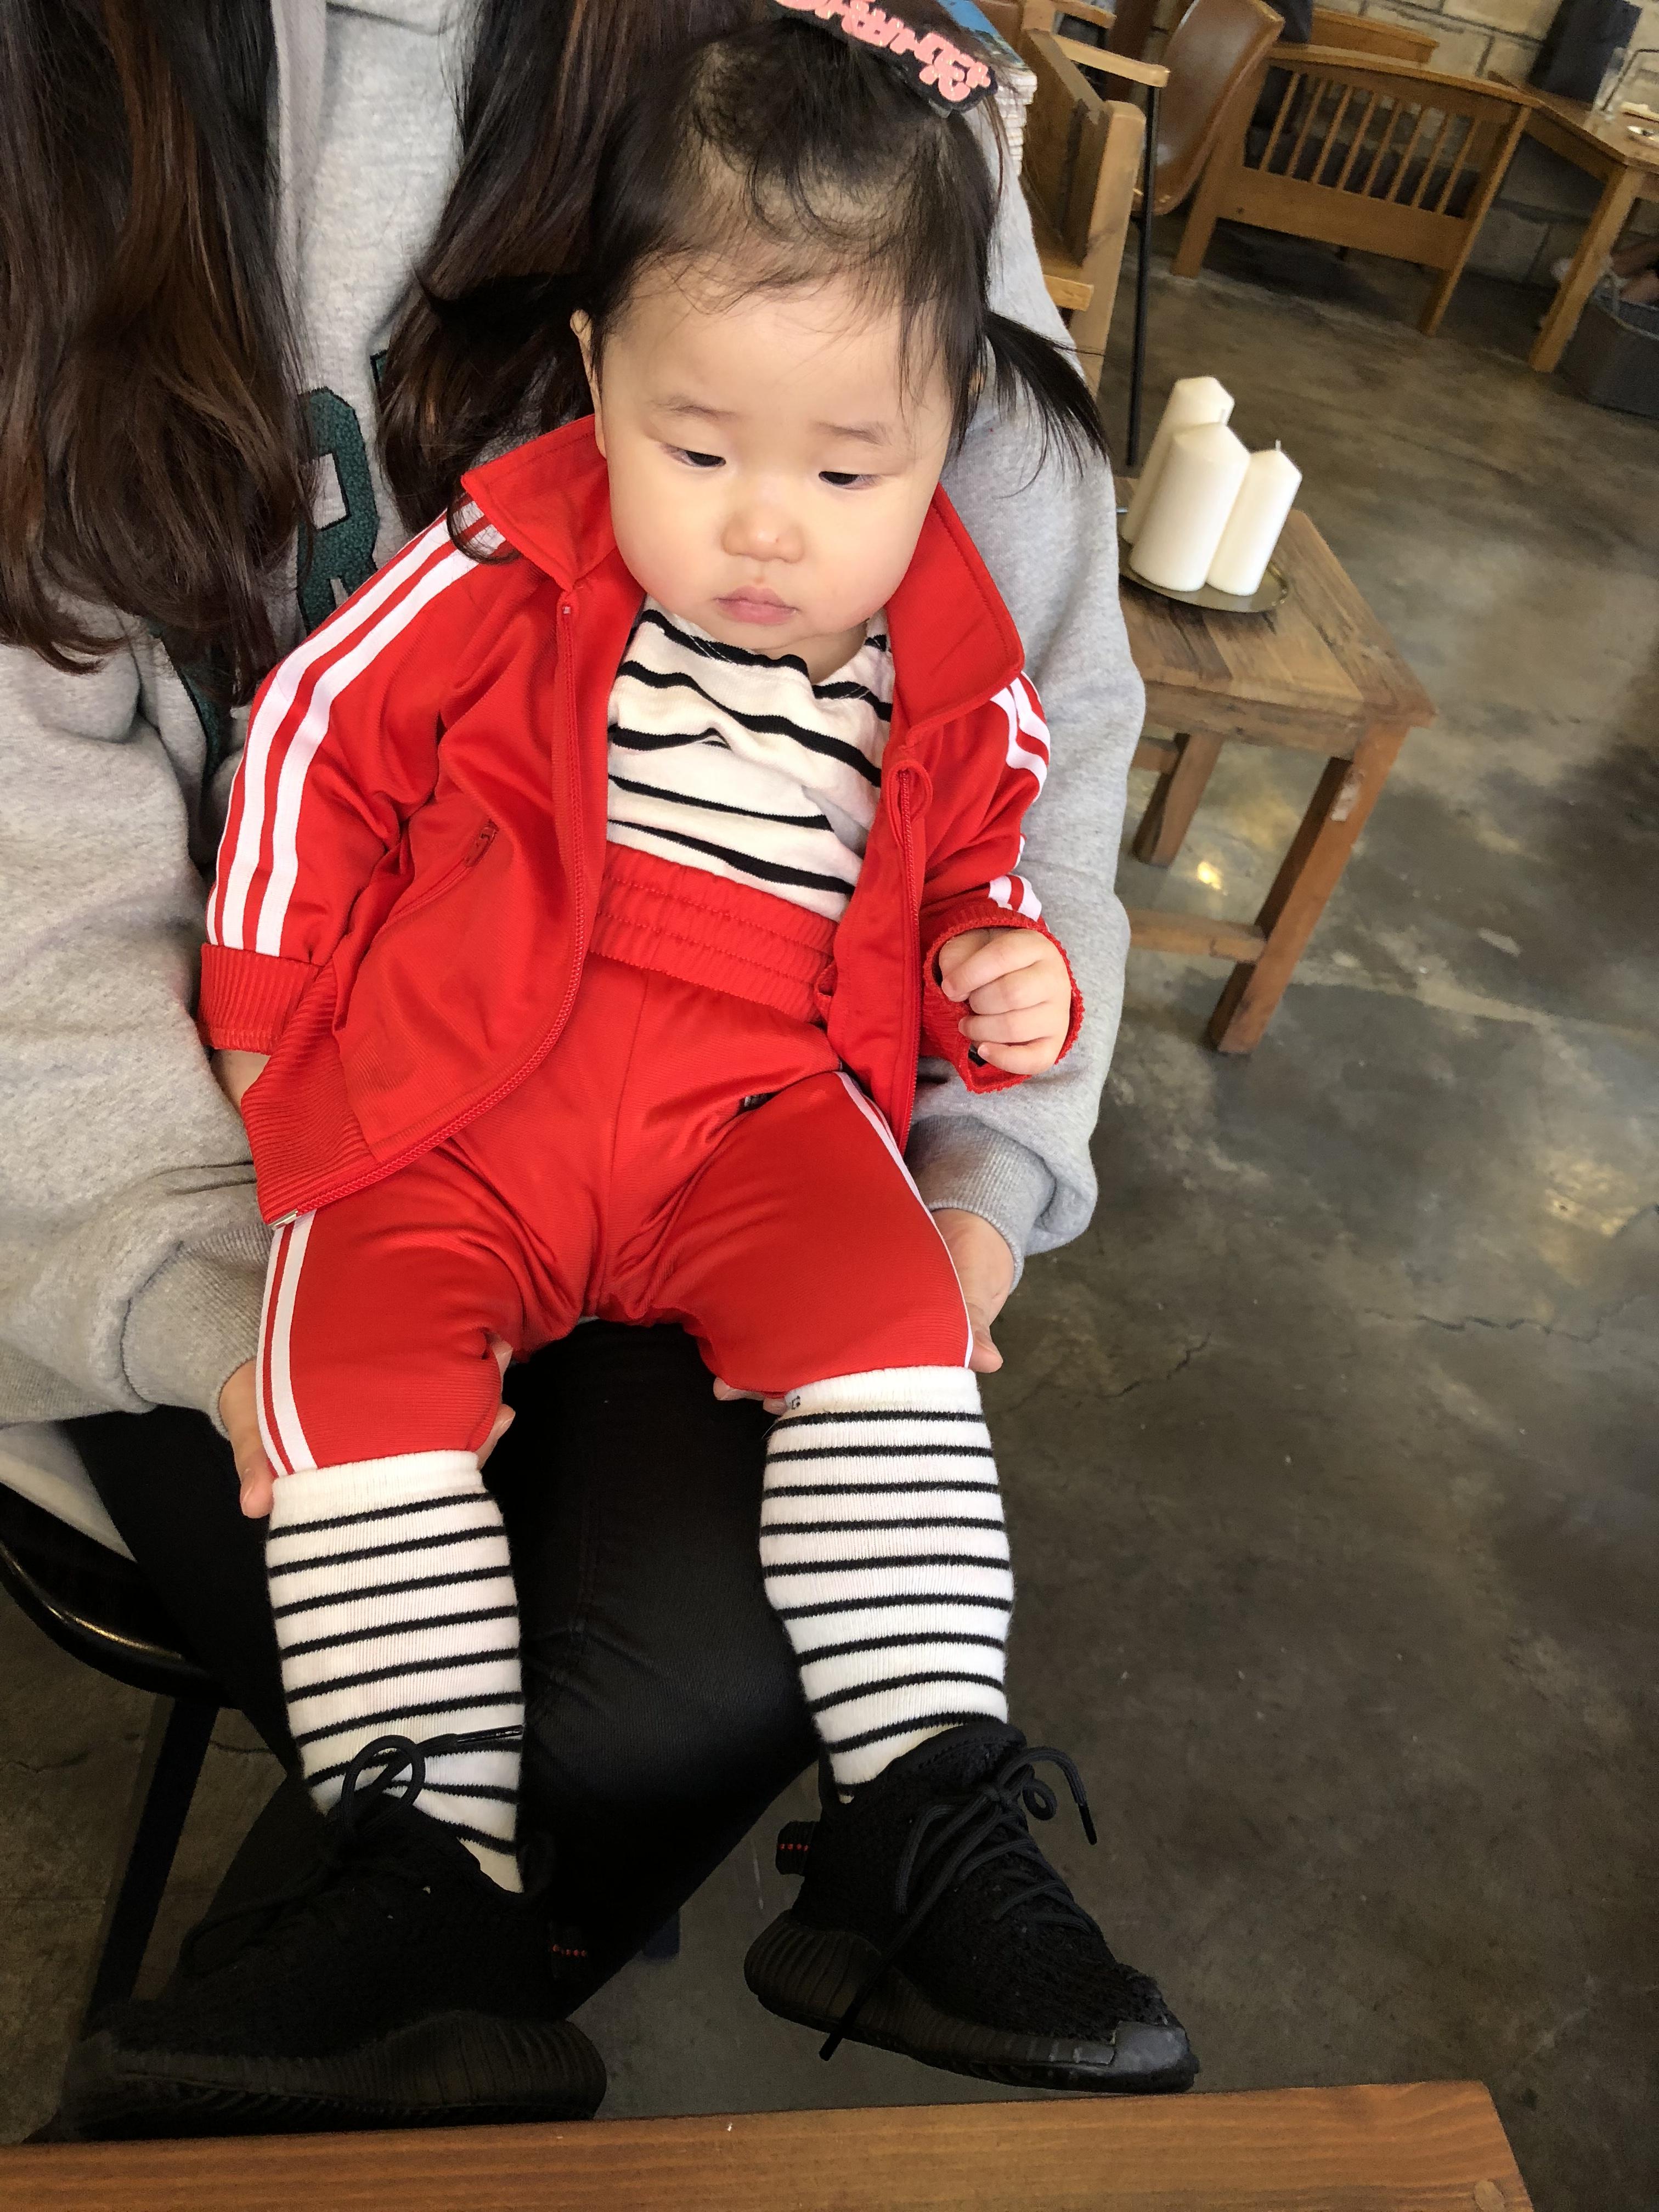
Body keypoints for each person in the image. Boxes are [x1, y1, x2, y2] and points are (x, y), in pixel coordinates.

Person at [1, 0, 1153, 2139]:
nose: (772, 527)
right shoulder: (505, 547)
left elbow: (1013, 793)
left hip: (764, 1110)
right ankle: (413, 1899)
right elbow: (307, 751)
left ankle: (921, 1827)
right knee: (366, 1412)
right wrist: (253, 1070)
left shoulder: (860, 130)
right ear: (600, 376)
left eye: (845, 472)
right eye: (703, 452)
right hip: (408, 1088)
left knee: (877, 1367)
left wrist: (1001, 1039)